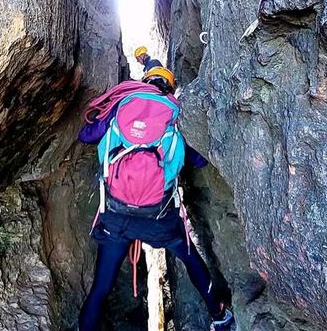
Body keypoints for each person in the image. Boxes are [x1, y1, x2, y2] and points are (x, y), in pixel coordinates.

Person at [77, 56, 236, 330]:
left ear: (145, 81)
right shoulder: (175, 113)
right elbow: (198, 160)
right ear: (170, 88)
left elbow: (87, 135)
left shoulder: (123, 104)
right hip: (160, 217)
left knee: (101, 286)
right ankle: (220, 317)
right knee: (191, 260)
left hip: (116, 215)